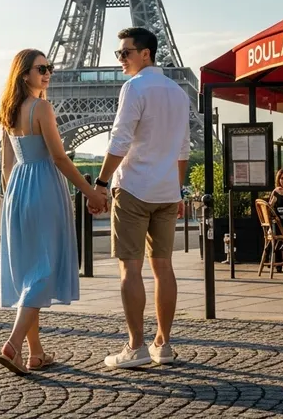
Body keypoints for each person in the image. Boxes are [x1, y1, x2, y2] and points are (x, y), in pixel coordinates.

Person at [0, 48, 108, 375]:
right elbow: (59, 158)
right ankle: (12, 345)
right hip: (44, 186)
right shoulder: (42, 107)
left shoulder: (8, 111)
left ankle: (35, 354)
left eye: (50, 68)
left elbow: (6, 164)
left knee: (31, 271)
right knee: (44, 271)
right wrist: (90, 192)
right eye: (41, 68)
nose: (47, 73)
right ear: (24, 74)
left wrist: (14, 196)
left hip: (18, 190)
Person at [89, 27, 190, 369]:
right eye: (119, 53)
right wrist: (177, 191)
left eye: (125, 53)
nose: (120, 59)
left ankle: (136, 346)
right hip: (165, 191)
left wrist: (101, 183)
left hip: (133, 188)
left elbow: (119, 140)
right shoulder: (178, 92)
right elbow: (182, 149)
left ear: (145, 54)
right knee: (164, 268)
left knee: (129, 269)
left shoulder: (134, 87)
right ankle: (164, 344)